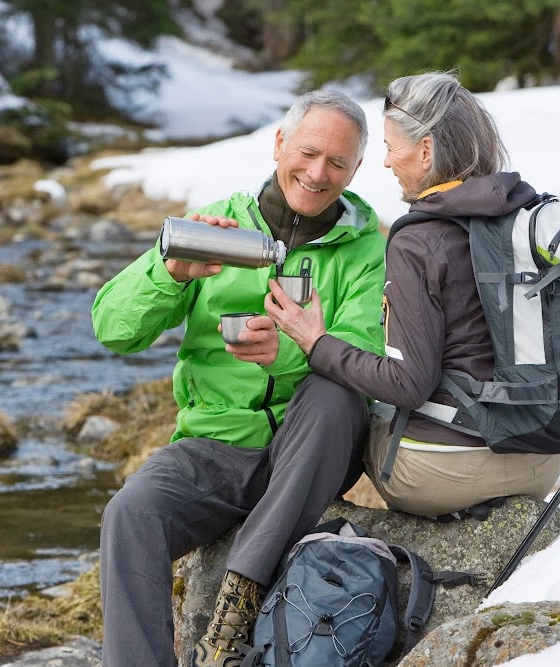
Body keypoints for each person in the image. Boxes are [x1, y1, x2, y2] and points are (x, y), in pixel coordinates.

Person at [91, 89, 386, 667]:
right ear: (279, 144)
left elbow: (362, 358)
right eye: (308, 152)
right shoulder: (216, 226)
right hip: (214, 447)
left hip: (310, 449)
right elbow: (111, 328)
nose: (318, 172)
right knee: (130, 513)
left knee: (334, 392)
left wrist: (290, 352)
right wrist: (170, 271)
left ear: (356, 169)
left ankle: (240, 594)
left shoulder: (366, 247)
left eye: (337, 162)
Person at [266, 71, 560, 519]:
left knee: (348, 412)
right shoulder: (519, 215)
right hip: (541, 462)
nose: (386, 162)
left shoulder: (418, 240)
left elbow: (408, 384)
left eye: (389, 146)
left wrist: (316, 343)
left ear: (424, 152)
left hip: (445, 475)